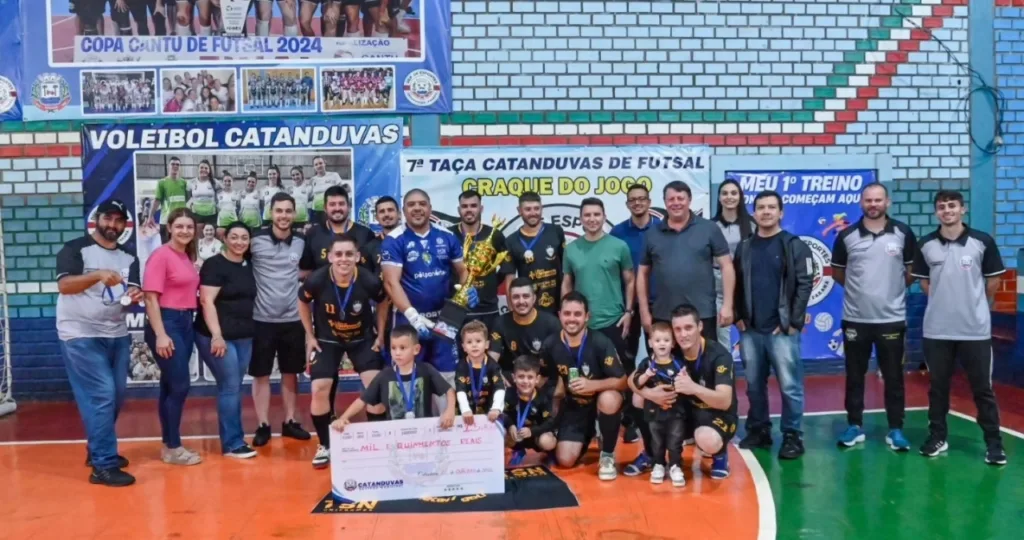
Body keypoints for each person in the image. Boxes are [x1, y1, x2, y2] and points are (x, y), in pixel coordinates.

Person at [911, 190, 1007, 465]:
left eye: (952, 205)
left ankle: (994, 444)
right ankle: (937, 437)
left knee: (982, 389)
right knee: (938, 388)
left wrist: (975, 305)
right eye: (942, 206)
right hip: (937, 331)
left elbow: (993, 282)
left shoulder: (982, 242)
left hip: (974, 331)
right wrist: (943, 302)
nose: (947, 210)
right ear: (936, 212)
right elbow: (924, 282)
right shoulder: (926, 244)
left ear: (962, 209)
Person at [57, 199, 143, 487]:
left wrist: (134, 297)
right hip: (80, 333)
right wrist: (97, 275)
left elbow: (129, 297)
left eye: (118, 221)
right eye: (108, 218)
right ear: (97, 219)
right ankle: (103, 466)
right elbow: (64, 286)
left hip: (116, 333)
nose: (112, 225)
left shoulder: (129, 257)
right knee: (102, 395)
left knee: (115, 396)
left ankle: (97, 448)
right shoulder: (75, 248)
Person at [831, 182, 917, 451]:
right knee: (854, 376)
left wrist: (890, 292)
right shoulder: (847, 236)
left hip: (891, 319)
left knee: (894, 377)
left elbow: (910, 272)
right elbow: (838, 273)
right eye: (868, 200)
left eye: (878, 200)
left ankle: (896, 429)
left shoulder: (903, 233)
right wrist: (861, 293)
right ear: (861, 203)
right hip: (855, 319)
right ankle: (854, 426)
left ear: (887, 202)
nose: (873, 204)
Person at [733, 191, 812, 460]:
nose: (766, 212)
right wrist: (738, 315)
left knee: (790, 386)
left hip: (782, 332)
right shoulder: (745, 247)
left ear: (781, 212)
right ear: (753, 213)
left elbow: (804, 285)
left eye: (771, 207)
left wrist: (792, 321)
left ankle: (792, 435)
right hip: (750, 330)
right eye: (761, 207)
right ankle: (759, 430)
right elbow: (736, 284)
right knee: (754, 385)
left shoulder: (794, 245)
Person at [299, 234, 388, 469]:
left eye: (349, 254)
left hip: (361, 339)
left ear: (357, 257)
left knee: (375, 387)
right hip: (327, 340)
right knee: (319, 388)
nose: (343, 259)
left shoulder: (368, 280)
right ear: (330, 257)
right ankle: (325, 445)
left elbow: (383, 302)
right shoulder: (317, 279)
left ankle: (377, 443)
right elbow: (302, 302)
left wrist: (380, 334)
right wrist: (310, 336)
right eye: (338, 254)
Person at [380, 189, 473, 386]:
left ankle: (447, 408)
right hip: (408, 320)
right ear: (403, 211)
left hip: (445, 319)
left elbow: (464, 270)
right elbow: (390, 282)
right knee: (407, 380)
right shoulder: (394, 240)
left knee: (447, 378)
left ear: (430, 208)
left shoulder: (447, 236)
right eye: (411, 205)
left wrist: (468, 291)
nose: (417, 208)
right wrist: (413, 316)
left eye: (422, 204)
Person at [248, 192, 312, 447]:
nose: (283, 215)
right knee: (261, 374)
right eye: (279, 211)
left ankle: (289, 421)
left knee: (290, 373)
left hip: (293, 319)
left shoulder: (302, 241)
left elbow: (307, 269)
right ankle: (263, 424)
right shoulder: (255, 240)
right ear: (270, 213)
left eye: (288, 211)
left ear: (294, 214)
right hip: (260, 319)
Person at [638, 180, 734, 344]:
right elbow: (642, 273)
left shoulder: (709, 228)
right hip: (663, 314)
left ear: (689, 200)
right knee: (666, 360)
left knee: (703, 360)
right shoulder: (652, 234)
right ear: (665, 202)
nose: (676, 203)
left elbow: (727, 266)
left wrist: (727, 305)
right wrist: (644, 312)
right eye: (671, 199)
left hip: (702, 314)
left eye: (680, 198)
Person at [543, 292, 626, 480]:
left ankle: (607, 454)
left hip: (599, 401)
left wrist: (593, 385)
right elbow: (546, 379)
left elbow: (622, 380)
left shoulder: (600, 342)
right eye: (567, 313)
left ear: (587, 316)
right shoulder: (551, 344)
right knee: (565, 460)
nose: (572, 319)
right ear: (559, 315)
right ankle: (587, 433)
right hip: (574, 406)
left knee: (609, 399)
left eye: (577, 314)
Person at [142, 208, 202, 466]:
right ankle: (174, 447)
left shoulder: (186, 256)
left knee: (169, 386)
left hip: (186, 321)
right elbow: (150, 298)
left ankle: (169, 445)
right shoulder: (160, 255)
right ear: (169, 228)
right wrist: (161, 334)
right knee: (179, 386)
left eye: (189, 227)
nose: (184, 231)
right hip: (167, 323)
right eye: (179, 226)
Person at [194, 222, 258, 459]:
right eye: (234, 237)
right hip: (217, 337)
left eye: (244, 238)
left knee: (233, 386)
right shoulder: (214, 264)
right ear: (225, 239)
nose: (239, 242)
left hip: (244, 336)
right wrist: (216, 336)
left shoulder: (248, 264)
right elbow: (206, 301)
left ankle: (234, 439)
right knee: (230, 385)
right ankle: (232, 444)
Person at [610, 183, 661, 468]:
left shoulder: (662, 229)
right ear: (627, 204)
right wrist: (628, 309)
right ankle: (629, 420)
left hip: (658, 306)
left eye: (642, 199)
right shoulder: (618, 233)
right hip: (627, 309)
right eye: (633, 200)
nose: (638, 203)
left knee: (661, 361)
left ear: (649, 201)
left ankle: (662, 415)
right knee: (627, 363)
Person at [331, 326, 456, 429]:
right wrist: (343, 418)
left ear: (416, 349)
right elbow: (362, 400)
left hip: (424, 434)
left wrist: (450, 411)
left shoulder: (426, 370)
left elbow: (449, 390)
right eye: (393, 348)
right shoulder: (385, 375)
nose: (397, 353)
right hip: (395, 436)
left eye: (403, 348)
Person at [670, 304, 738, 480]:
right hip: (687, 412)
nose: (683, 334)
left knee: (707, 439)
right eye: (678, 329)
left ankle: (720, 455)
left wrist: (692, 387)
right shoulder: (671, 351)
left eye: (688, 328)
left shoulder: (719, 355)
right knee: (642, 401)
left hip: (717, 413)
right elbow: (633, 381)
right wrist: (651, 394)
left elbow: (724, 401)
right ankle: (651, 454)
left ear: (700, 326)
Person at [630, 322, 687, 487]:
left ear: (673, 343)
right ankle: (659, 464)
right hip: (654, 412)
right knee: (657, 441)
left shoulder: (678, 363)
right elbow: (636, 382)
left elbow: (686, 385)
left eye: (666, 340)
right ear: (650, 343)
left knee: (675, 440)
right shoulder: (646, 364)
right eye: (657, 340)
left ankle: (675, 465)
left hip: (675, 412)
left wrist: (684, 377)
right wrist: (646, 375)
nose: (662, 344)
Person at [448, 190, 512, 331]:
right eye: (464, 206)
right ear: (459, 209)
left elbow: (508, 270)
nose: (469, 210)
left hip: (488, 309)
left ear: (481, 208)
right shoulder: (448, 235)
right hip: (456, 308)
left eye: (473, 206)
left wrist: (492, 282)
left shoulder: (495, 235)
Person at [504, 192, 566, 314]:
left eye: (536, 208)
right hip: (528, 308)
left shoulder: (556, 231)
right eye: (528, 209)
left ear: (541, 209)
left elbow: (566, 270)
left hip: (557, 307)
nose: (533, 213)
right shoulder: (511, 241)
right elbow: (509, 279)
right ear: (519, 211)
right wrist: (512, 311)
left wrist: (566, 304)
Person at [489, 277, 561, 382]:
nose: (521, 301)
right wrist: (498, 378)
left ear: (534, 298)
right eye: (516, 297)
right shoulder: (500, 323)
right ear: (510, 299)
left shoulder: (552, 323)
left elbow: (561, 361)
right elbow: (492, 359)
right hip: (511, 381)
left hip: (542, 380)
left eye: (526, 296)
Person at [712, 180, 755, 349]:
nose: (729, 197)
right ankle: (725, 367)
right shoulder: (711, 226)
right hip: (718, 286)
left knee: (751, 340)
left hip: (746, 285)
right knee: (722, 338)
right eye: (725, 193)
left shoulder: (753, 225)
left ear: (740, 196)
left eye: (733, 193)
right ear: (719, 198)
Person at [503, 355, 558, 466]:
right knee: (501, 431)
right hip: (516, 434)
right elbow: (502, 414)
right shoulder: (508, 394)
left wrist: (532, 431)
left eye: (530, 377)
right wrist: (510, 425)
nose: (525, 381)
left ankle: (549, 453)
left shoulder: (543, 398)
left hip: (536, 435)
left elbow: (550, 422)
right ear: (514, 377)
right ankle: (518, 450)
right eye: (521, 377)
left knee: (546, 440)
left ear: (537, 379)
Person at [454, 320, 505, 424]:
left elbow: (499, 388)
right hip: (467, 413)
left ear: (487, 344)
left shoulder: (493, 365)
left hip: (490, 412)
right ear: (463, 347)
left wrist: (496, 408)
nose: (474, 345)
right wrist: (465, 409)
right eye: (469, 342)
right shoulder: (461, 366)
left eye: (478, 341)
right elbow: (460, 390)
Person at [146, 157, 187, 242]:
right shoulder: (162, 182)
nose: (175, 166)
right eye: (173, 164)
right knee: (166, 247)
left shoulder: (184, 183)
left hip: (180, 221)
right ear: (168, 166)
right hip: (166, 222)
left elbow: (188, 199)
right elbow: (157, 201)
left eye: (177, 164)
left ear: (180, 167)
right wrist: (150, 216)